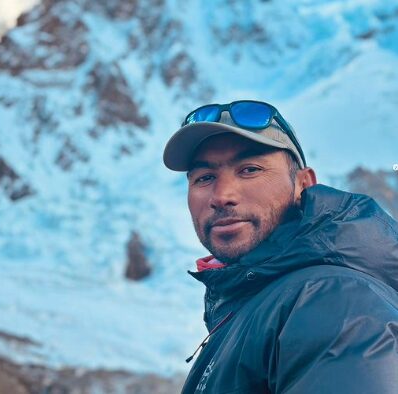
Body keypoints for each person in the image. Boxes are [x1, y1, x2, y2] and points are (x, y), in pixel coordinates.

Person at [162, 100, 398, 394]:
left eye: (249, 169)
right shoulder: (265, 301)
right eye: (205, 177)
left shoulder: (331, 299)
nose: (222, 195)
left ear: (304, 185)